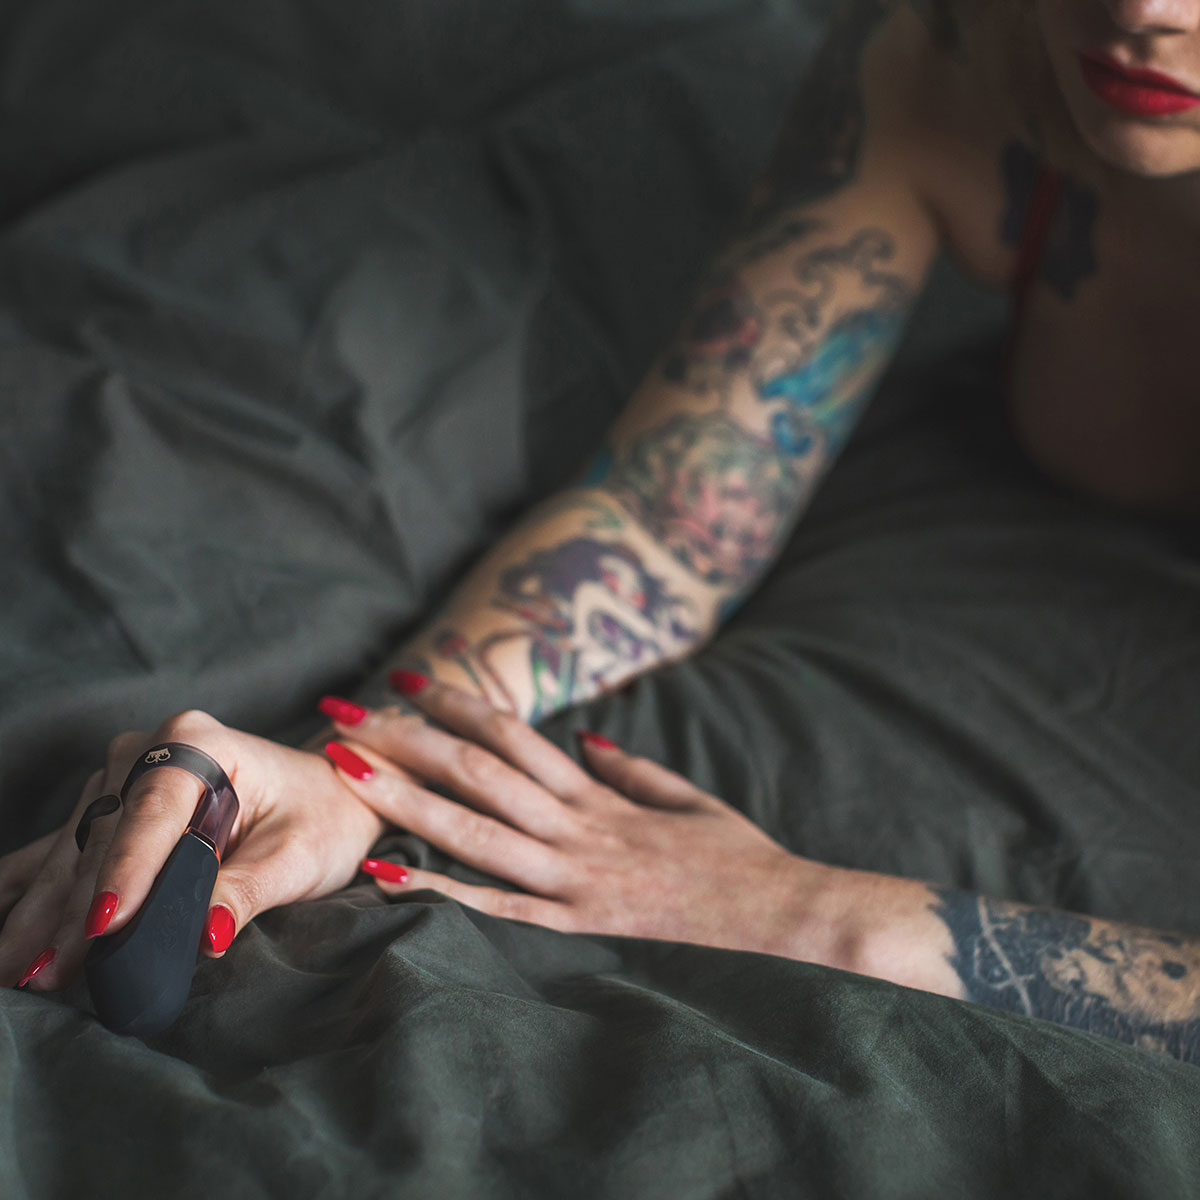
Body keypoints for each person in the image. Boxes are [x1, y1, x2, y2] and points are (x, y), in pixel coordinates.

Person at [1, 0, 1197, 1063]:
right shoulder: (963, 51)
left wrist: (819, 915)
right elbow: (673, 518)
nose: (1140, 8)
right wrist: (354, 772)